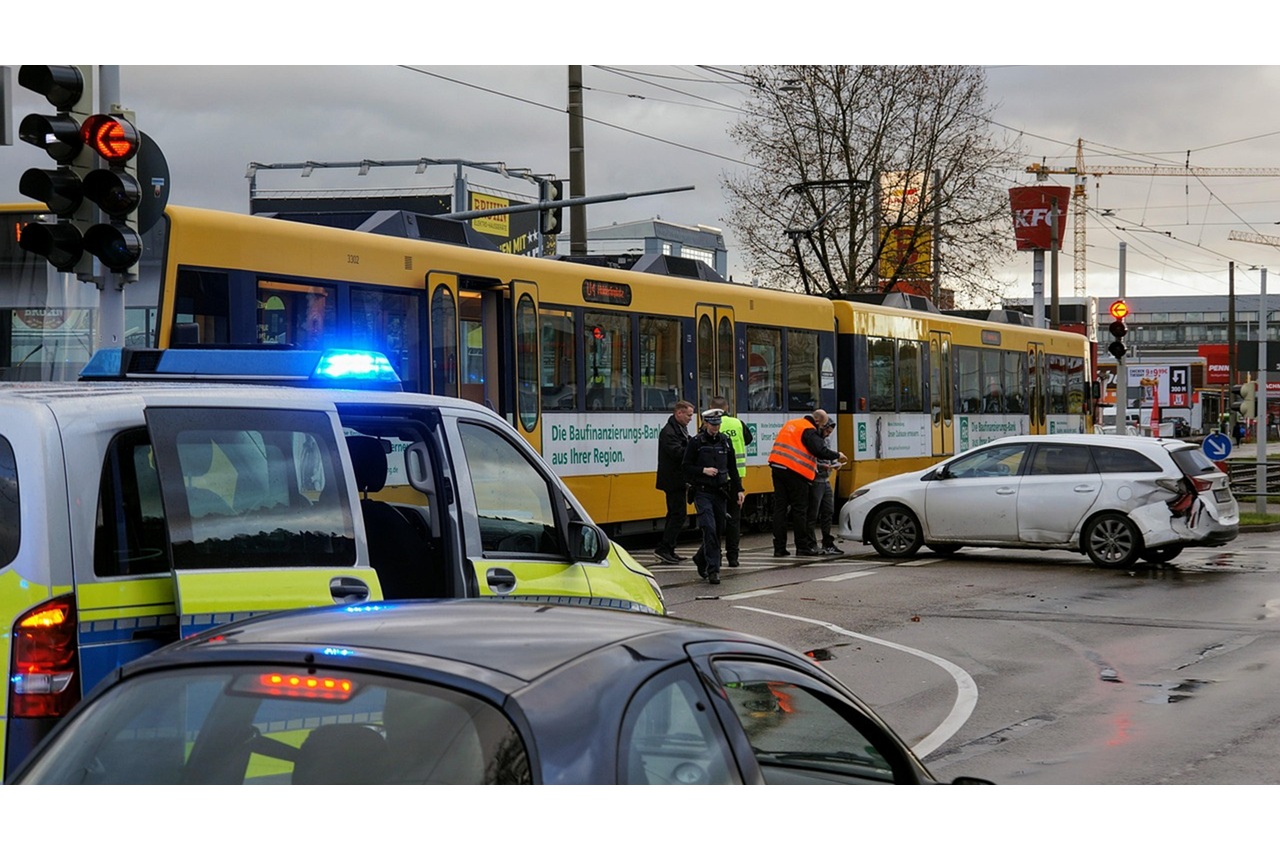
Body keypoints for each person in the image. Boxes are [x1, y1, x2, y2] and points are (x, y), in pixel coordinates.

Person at [768, 409, 846, 558]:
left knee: (780, 509)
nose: (821, 430)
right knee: (800, 510)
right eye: (822, 426)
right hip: (795, 472)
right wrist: (837, 455)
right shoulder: (809, 429)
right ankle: (802, 547)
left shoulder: (791, 424)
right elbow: (819, 450)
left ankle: (779, 548)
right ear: (817, 421)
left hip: (777, 467)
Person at [683, 408, 743, 585]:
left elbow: (733, 468)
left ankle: (700, 558)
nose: (716, 428)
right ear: (705, 423)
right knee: (709, 528)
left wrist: (739, 489)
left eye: (718, 424)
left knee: (717, 530)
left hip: (720, 492)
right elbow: (686, 467)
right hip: (702, 492)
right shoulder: (696, 442)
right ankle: (713, 570)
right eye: (712, 424)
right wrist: (703, 470)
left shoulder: (725, 441)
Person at [709, 395, 752, 568]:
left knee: (716, 519)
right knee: (734, 519)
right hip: (736, 478)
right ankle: (733, 557)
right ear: (727, 407)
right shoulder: (738, 423)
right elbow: (748, 440)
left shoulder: (708, 425)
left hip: (716, 478)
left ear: (711, 408)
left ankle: (716, 557)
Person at [654, 400, 694, 563]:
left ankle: (669, 548)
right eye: (689, 415)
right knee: (678, 514)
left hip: (677, 479)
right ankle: (664, 548)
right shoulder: (669, 432)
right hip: (673, 479)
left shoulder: (679, 428)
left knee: (674, 514)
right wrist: (693, 450)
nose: (691, 418)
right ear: (679, 413)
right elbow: (677, 452)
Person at [806, 419, 843, 555]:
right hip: (815, 481)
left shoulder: (825, 441)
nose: (828, 434)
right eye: (827, 431)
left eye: (830, 432)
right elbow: (810, 460)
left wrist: (835, 463)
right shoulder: (813, 440)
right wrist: (822, 466)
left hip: (825, 480)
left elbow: (828, 454)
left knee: (828, 511)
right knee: (812, 513)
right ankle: (811, 543)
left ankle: (827, 542)